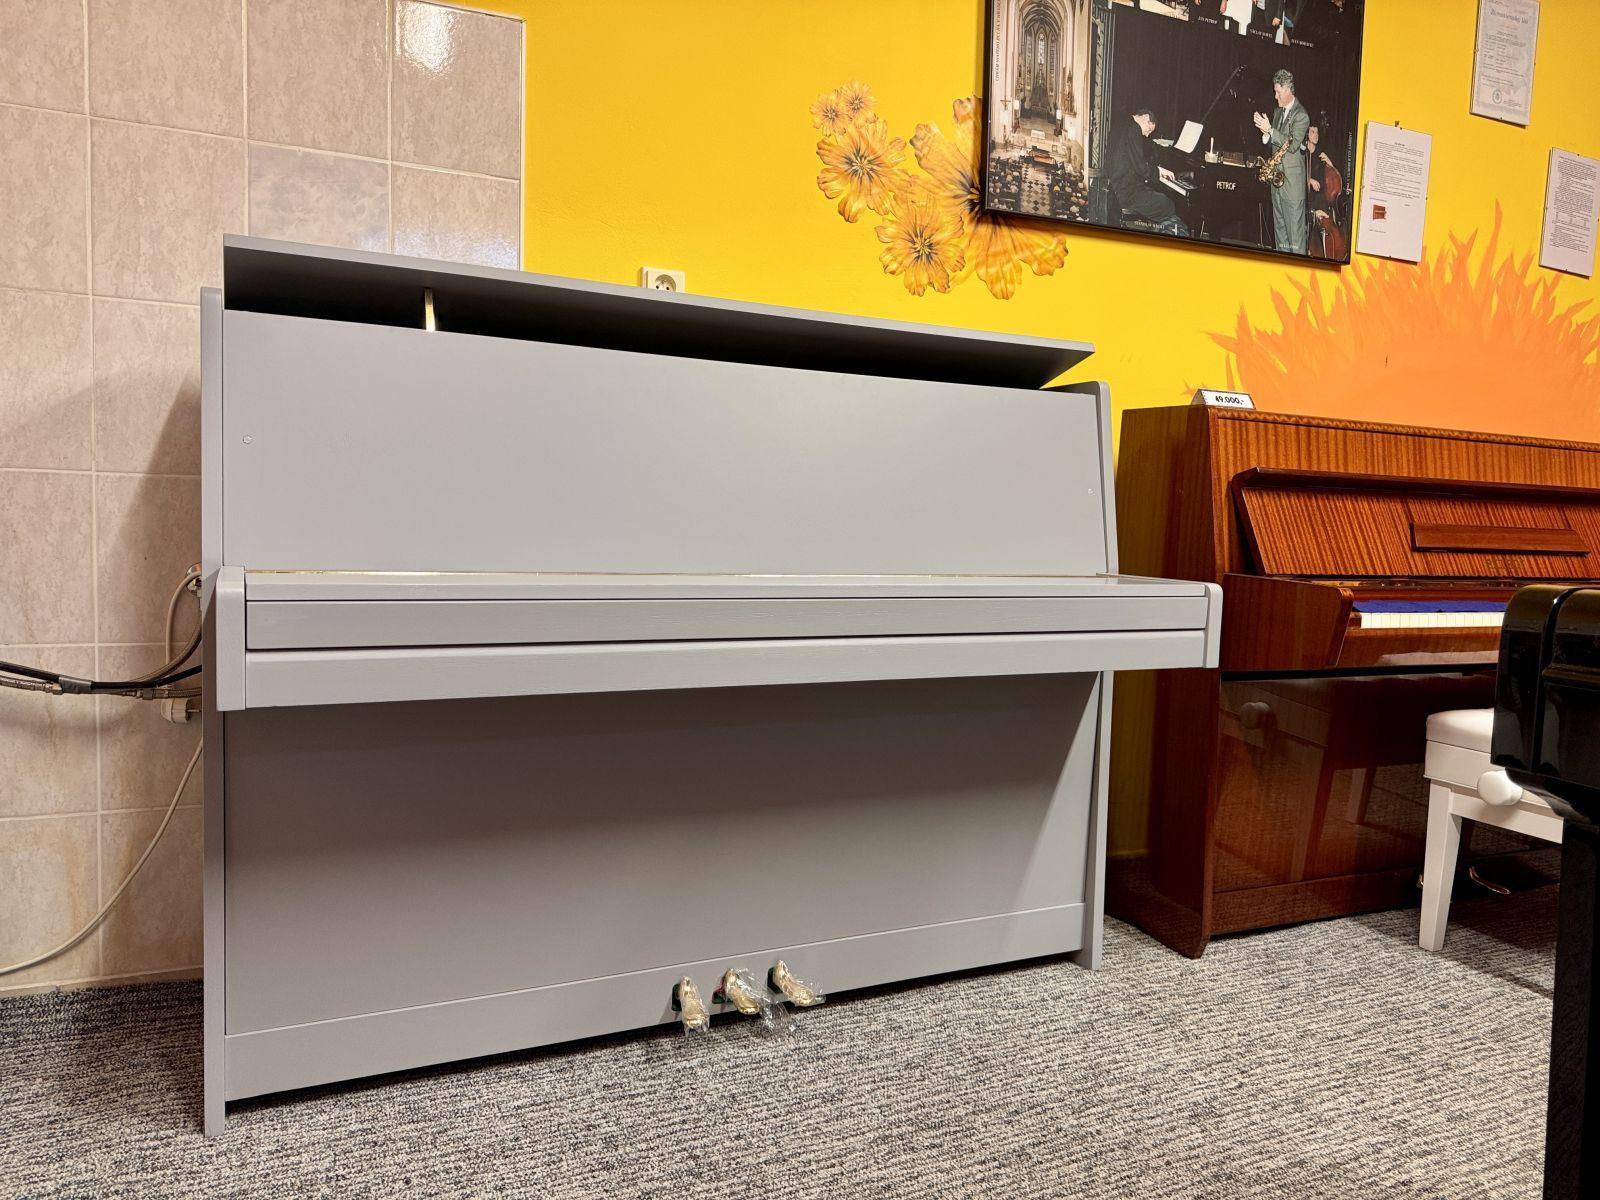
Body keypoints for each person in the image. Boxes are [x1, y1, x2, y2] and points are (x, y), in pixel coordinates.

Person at [1105, 106, 1191, 237]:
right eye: (1149, 129)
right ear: (1145, 118)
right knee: (1167, 204)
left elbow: (1132, 160)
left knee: (1158, 199)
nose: (1147, 135)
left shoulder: (1121, 123)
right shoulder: (1134, 129)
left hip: (1114, 187)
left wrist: (1157, 170)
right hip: (1125, 192)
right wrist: (1158, 173)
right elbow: (1141, 168)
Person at [1252, 69, 1309, 253]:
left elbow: (1292, 145)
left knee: (1295, 242)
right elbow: (1275, 142)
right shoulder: (1277, 112)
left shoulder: (1301, 115)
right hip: (1276, 183)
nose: (1275, 96)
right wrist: (1265, 133)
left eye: (1278, 92)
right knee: (1281, 240)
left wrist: (1270, 130)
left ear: (1287, 90)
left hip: (1291, 187)